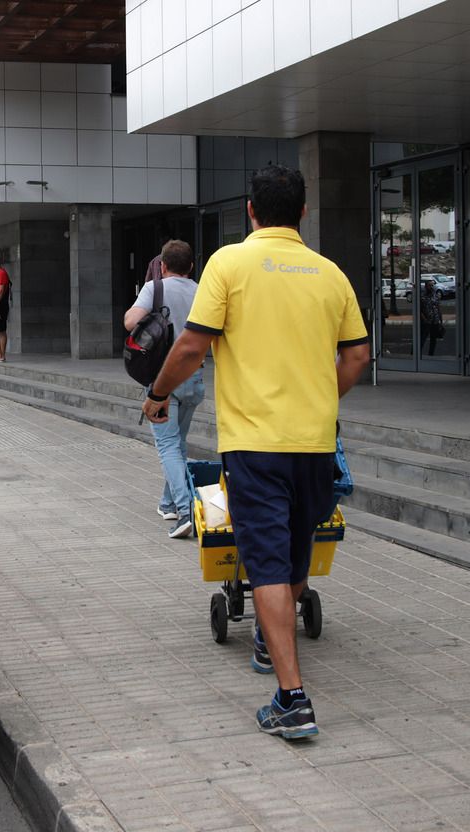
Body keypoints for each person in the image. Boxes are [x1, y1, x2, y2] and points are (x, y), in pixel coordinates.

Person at [142, 165, 370, 741]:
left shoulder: (230, 263)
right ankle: (274, 644)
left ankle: (292, 699)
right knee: (294, 557)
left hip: (255, 445)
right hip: (316, 444)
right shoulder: (330, 273)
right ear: (303, 212)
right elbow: (358, 357)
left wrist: (158, 393)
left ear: (250, 210)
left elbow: (193, 344)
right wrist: (322, 397)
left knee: (266, 561)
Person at [124, 239, 203, 539]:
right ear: (191, 266)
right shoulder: (201, 291)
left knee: (168, 446)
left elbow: (130, 320)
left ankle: (186, 512)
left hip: (163, 380)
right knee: (178, 444)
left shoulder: (154, 289)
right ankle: (168, 502)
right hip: (194, 377)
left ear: (163, 266)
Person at [420, 277, 443, 355]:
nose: (432, 287)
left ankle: (431, 354)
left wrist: (441, 320)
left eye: (432, 285)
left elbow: (438, 307)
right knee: (422, 338)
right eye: (430, 285)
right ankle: (415, 354)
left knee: (433, 339)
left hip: (435, 320)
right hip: (427, 321)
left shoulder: (435, 295)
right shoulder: (422, 296)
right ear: (426, 286)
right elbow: (419, 310)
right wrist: (424, 319)